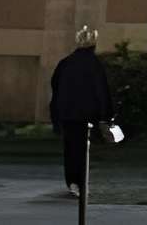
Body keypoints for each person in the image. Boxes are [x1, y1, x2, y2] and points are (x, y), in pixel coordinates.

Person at [47, 30, 112, 198]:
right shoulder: (95, 65)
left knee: (70, 149)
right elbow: (101, 91)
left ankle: (72, 181)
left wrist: (56, 116)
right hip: (86, 115)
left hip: (67, 114)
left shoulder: (65, 63)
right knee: (83, 150)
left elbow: (55, 89)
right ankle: (81, 181)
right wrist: (105, 116)